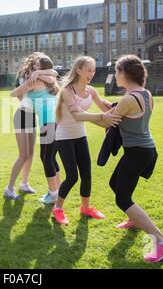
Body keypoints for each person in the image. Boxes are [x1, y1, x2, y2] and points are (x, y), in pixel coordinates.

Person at [110, 55, 163, 263]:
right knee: (115, 183)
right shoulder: (146, 94)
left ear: (124, 73)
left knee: (122, 198)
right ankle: (133, 219)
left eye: (116, 71)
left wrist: (78, 113)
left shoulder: (128, 99)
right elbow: (121, 112)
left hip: (138, 152)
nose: (115, 75)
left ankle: (162, 240)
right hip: (145, 150)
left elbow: (108, 121)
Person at [52, 56, 121, 225]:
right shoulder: (67, 91)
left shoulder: (91, 90)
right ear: (78, 70)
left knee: (87, 174)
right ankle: (58, 209)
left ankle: (85, 207)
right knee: (72, 176)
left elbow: (104, 106)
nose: (92, 73)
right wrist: (102, 117)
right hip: (64, 137)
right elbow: (77, 115)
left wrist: (120, 107)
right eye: (89, 70)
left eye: (94, 70)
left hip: (80, 135)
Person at [4, 52, 57, 200]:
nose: (35, 67)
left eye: (38, 66)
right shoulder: (29, 78)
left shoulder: (39, 76)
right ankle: (9, 189)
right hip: (21, 116)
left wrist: (40, 74)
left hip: (31, 117)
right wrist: (32, 81)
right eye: (34, 65)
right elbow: (13, 93)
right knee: (23, 155)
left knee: (31, 153)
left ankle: (24, 184)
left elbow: (53, 74)